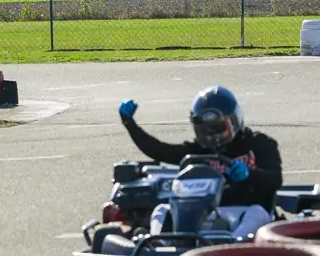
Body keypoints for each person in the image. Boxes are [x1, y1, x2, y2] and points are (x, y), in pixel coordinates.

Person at [118, 85, 282, 238]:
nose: (214, 137)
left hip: (244, 213)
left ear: (234, 121)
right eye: (206, 132)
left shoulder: (258, 143)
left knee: (257, 213)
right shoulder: (198, 151)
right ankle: (160, 246)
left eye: (218, 129)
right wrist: (130, 124)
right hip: (205, 215)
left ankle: (232, 246)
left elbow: (275, 178)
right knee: (162, 210)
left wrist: (249, 175)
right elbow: (160, 151)